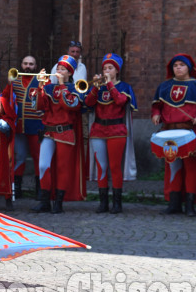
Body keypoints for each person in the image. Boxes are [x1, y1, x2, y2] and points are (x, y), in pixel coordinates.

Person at [151, 53, 196, 216]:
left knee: (191, 168)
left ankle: (190, 205)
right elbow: (157, 106)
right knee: (173, 166)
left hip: (191, 132)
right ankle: (174, 203)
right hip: (168, 132)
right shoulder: (164, 87)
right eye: (175, 65)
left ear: (189, 67)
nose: (178, 68)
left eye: (181, 65)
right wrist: (155, 114)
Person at [31, 55, 86, 214]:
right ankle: (45, 201)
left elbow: (70, 105)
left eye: (63, 69)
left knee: (63, 168)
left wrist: (62, 85)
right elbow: (38, 106)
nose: (59, 71)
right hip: (48, 132)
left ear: (69, 73)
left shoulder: (76, 88)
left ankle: (59, 203)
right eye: (58, 69)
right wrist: (40, 85)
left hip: (65, 132)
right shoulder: (48, 88)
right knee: (43, 166)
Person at [84, 53, 137, 214]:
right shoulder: (98, 87)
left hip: (117, 131)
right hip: (98, 130)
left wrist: (110, 85)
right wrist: (95, 87)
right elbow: (88, 103)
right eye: (105, 68)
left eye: (110, 68)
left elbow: (121, 102)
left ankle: (117, 203)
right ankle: (103, 203)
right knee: (102, 167)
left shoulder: (124, 87)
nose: (107, 70)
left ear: (117, 71)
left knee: (115, 167)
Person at [2, 55, 41, 199]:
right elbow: (5, 98)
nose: (28, 66)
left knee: (38, 158)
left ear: (35, 66)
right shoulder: (15, 80)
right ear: (21, 64)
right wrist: (8, 84)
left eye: (31, 64)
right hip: (19, 127)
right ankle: (16, 188)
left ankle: (40, 190)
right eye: (25, 63)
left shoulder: (40, 80)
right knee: (19, 157)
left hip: (36, 126)